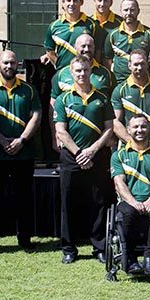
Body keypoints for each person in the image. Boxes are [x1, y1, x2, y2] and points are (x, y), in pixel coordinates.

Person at [53, 54, 115, 264]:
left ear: (91, 71)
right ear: (71, 73)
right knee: (68, 202)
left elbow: (109, 129)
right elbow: (61, 131)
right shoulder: (63, 99)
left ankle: (99, 247)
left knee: (98, 202)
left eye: (85, 70)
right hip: (72, 158)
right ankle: (69, 248)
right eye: (78, 70)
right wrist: (80, 153)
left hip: (97, 157)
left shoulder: (102, 98)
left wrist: (93, 151)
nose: (82, 74)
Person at [0, 50, 42, 254]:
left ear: (18, 65)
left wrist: (21, 140)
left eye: (13, 63)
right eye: (6, 62)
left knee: (23, 198)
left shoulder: (29, 90)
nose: (9, 66)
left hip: (24, 153)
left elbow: (36, 117)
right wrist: (3, 142)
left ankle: (24, 239)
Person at [110, 115, 150, 275]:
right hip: (129, 201)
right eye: (135, 127)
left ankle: (149, 256)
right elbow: (119, 183)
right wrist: (133, 202)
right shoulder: (119, 155)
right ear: (128, 130)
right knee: (128, 213)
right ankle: (130, 258)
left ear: (149, 129)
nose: (139, 130)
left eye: (143, 126)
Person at [40, 0, 105, 69]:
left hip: (85, 74)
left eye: (75, 1)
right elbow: (49, 49)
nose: (71, 4)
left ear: (81, 2)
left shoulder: (92, 25)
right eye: (68, 0)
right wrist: (59, 65)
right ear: (63, 3)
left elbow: (98, 50)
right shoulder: (54, 26)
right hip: (63, 74)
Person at [111, 49, 150, 145]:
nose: (139, 67)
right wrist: (131, 142)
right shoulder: (119, 90)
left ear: (147, 64)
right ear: (129, 65)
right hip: (128, 149)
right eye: (136, 64)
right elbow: (115, 121)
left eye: (142, 64)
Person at [103, 0, 150, 84]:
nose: (129, 13)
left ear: (138, 11)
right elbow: (107, 60)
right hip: (119, 82)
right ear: (120, 11)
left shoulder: (149, 34)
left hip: (144, 82)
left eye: (132, 10)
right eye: (125, 10)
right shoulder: (113, 35)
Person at [50, 33, 115, 101]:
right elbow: (53, 102)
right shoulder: (62, 74)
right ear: (75, 47)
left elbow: (114, 100)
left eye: (89, 46)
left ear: (94, 48)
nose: (86, 49)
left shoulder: (106, 73)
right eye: (83, 46)